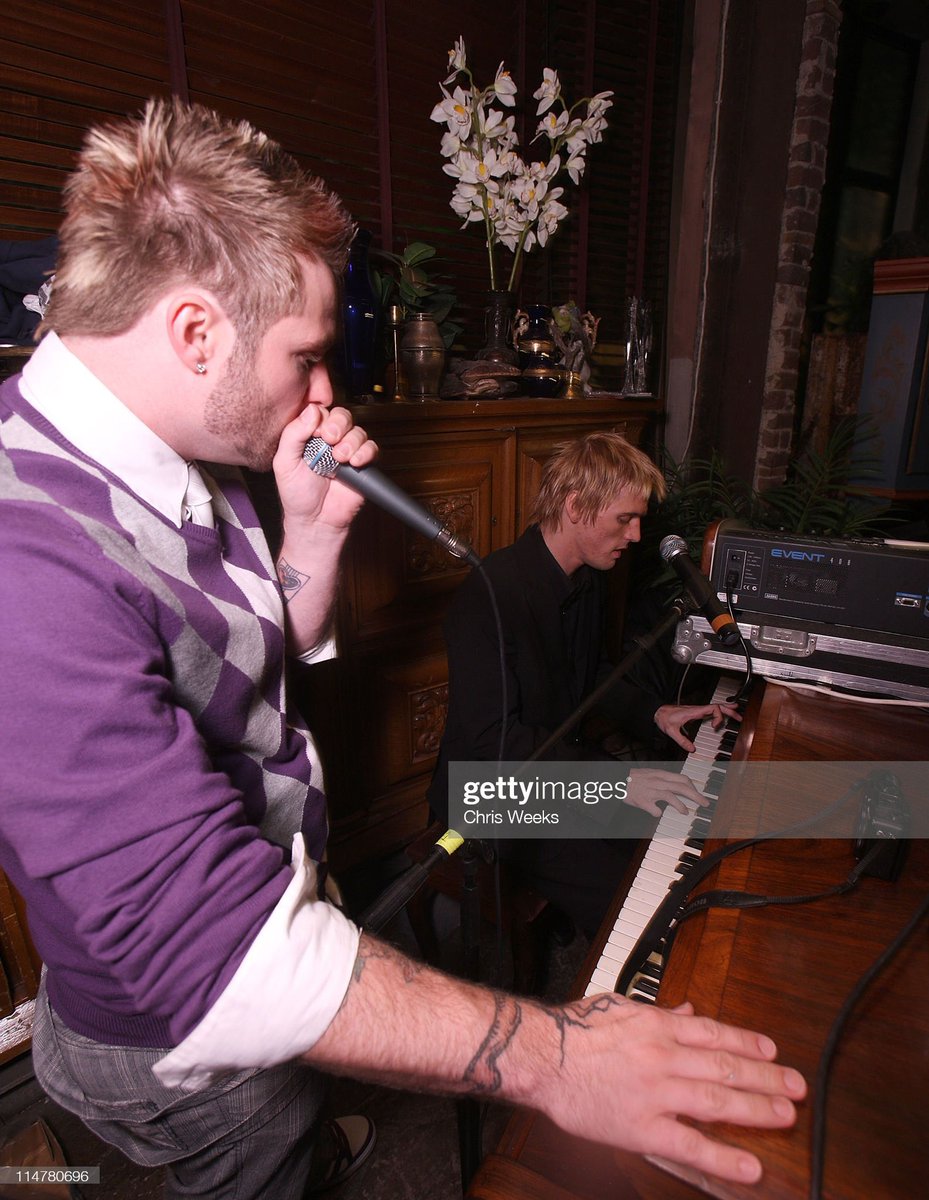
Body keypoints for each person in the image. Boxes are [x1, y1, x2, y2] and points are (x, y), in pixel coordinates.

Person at [0, 98, 804, 1199]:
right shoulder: (24, 566)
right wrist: (560, 1054)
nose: (324, 394)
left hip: (301, 905)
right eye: (307, 355)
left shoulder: (183, 455)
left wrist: (314, 535)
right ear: (196, 334)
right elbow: (221, 956)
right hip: (180, 1035)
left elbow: (240, 667)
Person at [428, 431, 741, 937]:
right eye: (625, 519)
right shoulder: (490, 594)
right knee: (625, 893)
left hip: (552, 772)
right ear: (576, 507)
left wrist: (653, 712)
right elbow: (493, 743)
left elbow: (591, 674)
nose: (637, 536)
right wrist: (613, 781)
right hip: (485, 792)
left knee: (664, 835)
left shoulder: (587, 579)